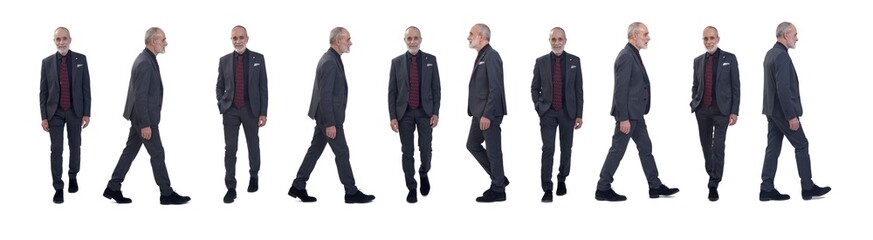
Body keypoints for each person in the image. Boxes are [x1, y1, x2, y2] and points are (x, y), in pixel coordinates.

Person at [288, 27, 375, 204]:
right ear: (338, 41)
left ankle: (298, 185)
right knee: (342, 152)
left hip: (325, 116)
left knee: (315, 150)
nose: (350, 42)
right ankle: (351, 192)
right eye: (348, 39)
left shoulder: (332, 58)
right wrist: (330, 124)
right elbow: (325, 95)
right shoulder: (329, 61)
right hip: (329, 118)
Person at [103, 27, 190, 205]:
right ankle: (166, 193)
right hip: (144, 119)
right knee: (157, 153)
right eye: (163, 40)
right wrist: (145, 124)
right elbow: (140, 96)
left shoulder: (148, 59)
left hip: (141, 117)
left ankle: (113, 186)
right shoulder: (144, 62)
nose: (165, 43)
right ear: (153, 41)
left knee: (130, 151)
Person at [594, 22, 679, 201]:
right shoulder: (626, 56)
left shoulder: (634, 54)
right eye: (645, 34)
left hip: (637, 115)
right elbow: (620, 90)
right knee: (617, 150)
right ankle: (602, 188)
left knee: (646, 148)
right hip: (628, 117)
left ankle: (655, 186)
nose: (648, 38)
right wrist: (623, 118)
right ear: (634, 36)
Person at [759, 22, 831, 201]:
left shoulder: (770, 53)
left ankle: (766, 188)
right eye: (795, 35)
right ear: (786, 35)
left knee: (773, 149)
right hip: (783, 112)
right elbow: (783, 89)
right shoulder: (781, 57)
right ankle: (808, 188)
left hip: (771, 111)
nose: (797, 38)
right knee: (802, 144)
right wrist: (791, 115)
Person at [387, 26, 441, 203]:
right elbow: (392, 91)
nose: (413, 41)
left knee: (425, 149)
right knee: (407, 152)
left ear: (421, 39)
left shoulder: (431, 60)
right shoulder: (396, 62)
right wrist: (393, 116)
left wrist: (435, 112)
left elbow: (436, 88)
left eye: (416, 38)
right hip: (404, 114)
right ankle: (411, 187)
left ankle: (424, 173)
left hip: (425, 113)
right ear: (404, 41)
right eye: (409, 38)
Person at [216, 25, 269, 203]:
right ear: (231, 40)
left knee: (253, 145)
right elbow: (219, 86)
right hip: (230, 110)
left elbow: (263, 88)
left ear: (247, 38)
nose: (237, 41)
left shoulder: (258, 59)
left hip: (250, 109)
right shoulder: (224, 60)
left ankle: (254, 176)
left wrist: (263, 112)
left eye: (241, 37)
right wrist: (222, 103)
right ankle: (231, 187)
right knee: (230, 149)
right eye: (234, 38)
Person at [530, 27, 583, 202]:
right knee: (548, 149)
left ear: (565, 41)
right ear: (549, 41)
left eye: (560, 39)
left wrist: (579, 115)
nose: (557, 42)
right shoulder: (541, 62)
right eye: (553, 39)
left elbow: (578, 90)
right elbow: (534, 88)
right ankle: (547, 187)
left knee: (566, 148)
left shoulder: (575, 61)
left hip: (568, 113)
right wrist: (539, 107)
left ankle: (562, 179)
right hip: (548, 113)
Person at [39, 27, 91, 204]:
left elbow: (86, 87)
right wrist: (44, 117)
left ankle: (73, 175)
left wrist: (87, 112)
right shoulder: (46, 63)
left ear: (70, 39)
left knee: (75, 146)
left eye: (64, 38)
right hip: (55, 112)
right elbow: (43, 92)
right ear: (54, 41)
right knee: (57, 150)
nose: (61, 42)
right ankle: (58, 187)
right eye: (58, 39)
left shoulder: (81, 59)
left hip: (75, 111)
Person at [690, 26, 741, 202]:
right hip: (702, 110)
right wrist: (694, 102)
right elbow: (695, 85)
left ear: (718, 39)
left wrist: (734, 111)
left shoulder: (730, 58)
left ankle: (714, 182)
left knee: (718, 146)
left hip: (722, 111)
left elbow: (736, 87)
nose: (708, 42)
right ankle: (711, 171)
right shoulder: (697, 61)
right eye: (705, 39)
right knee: (706, 146)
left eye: (712, 38)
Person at [466, 23, 508, 203]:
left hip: (488, 113)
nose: (468, 37)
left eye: (471, 34)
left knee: (493, 151)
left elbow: (495, 88)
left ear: (482, 36)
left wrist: (487, 115)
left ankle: (498, 189)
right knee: (472, 144)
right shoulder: (481, 55)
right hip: (478, 112)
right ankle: (499, 177)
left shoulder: (492, 56)